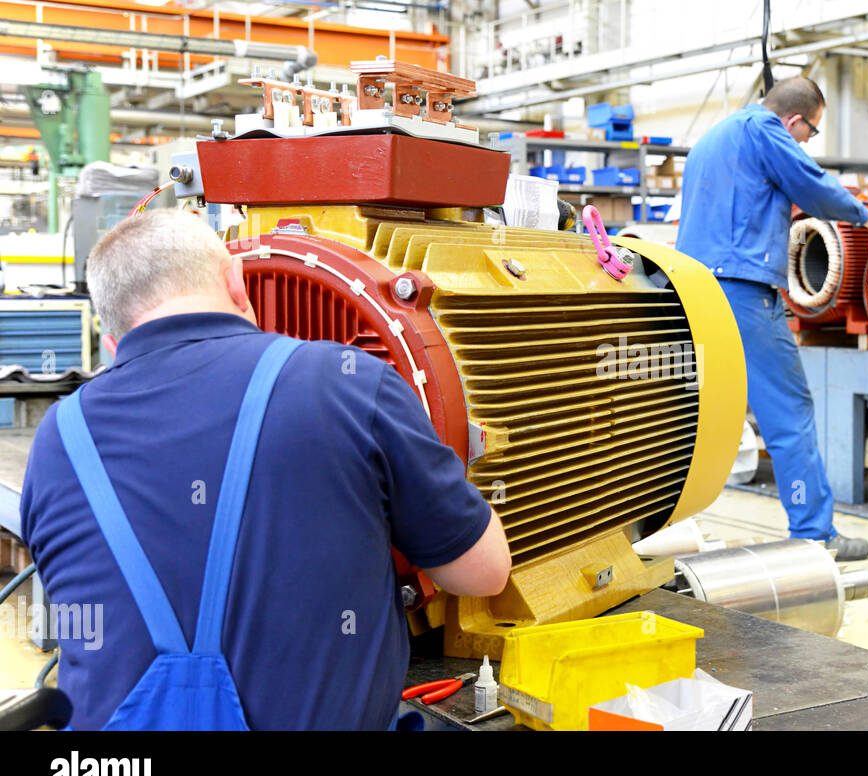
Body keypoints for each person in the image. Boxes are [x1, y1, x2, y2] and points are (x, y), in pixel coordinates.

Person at [20, 209, 511, 730]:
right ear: (237, 280)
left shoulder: (57, 437)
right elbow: (482, 572)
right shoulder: (345, 382)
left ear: (111, 333)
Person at [676, 76, 868, 561]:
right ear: (794, 120)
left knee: (696, 415)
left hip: (691, 290)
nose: (805, 142)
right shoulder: (764, 129)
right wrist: (866, 216)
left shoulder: (714, 137)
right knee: (788, 413)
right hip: (742, 292)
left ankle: (659, 528)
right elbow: (812, 187)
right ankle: (815, 532)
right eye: (810, 134)